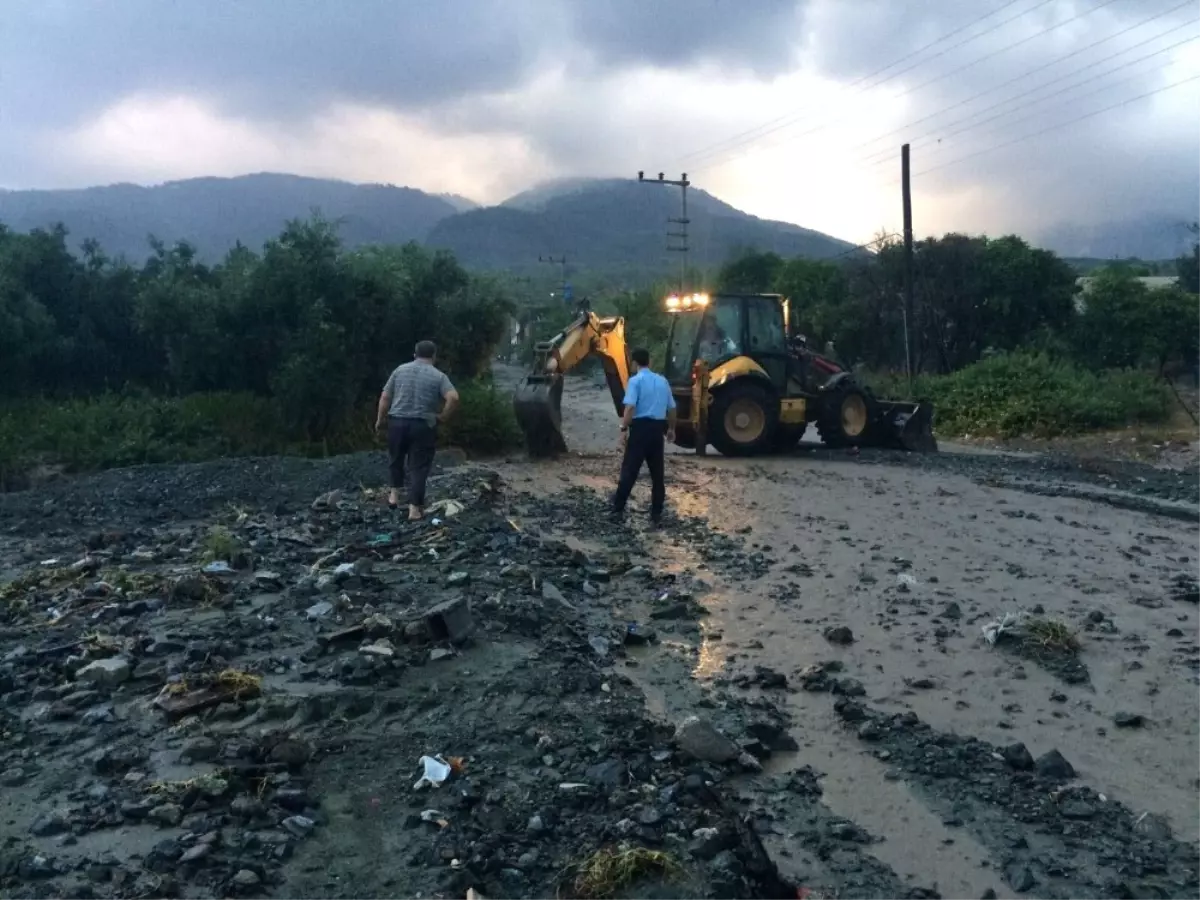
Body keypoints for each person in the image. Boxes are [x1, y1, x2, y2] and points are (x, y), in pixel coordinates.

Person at [375, 340, 459, 520]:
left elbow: (385, 397)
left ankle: (394, 497)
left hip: (397, 422)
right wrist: (442, 417)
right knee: (418, 467)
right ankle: (414, 509)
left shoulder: (400, 370)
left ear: (415, 354)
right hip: (423, 425)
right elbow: (453, 398)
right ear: (434, 356)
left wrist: (380, 420)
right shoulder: (438, 376)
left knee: (395, 459)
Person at [611, 347, 676, 525]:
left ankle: (618, 507)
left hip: (640, 430)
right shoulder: (663, 381)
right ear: (650, 361)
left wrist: (623, 429)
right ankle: (656, 512)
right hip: (657, 430)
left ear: (634, 363)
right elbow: (672, 408)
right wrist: (671, 429)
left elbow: (630, 407)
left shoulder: (635, 381)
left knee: (630, 469)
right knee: (657, 474)